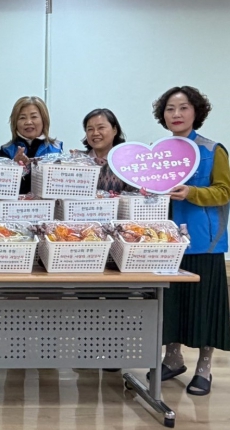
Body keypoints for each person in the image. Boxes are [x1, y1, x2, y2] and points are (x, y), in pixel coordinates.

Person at [152, 86, 230, 396]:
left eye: (183, 107)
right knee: (172, 305)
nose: (176, 114)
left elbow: (224, 191)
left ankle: (204, 369)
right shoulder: (158, 151)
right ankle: (173, 359)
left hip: (204, 242)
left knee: (204, 308)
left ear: (196, 112)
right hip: (166, 241)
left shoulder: (213, 150)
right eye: (170, 108)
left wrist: (192, 192)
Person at [0, 96, 62, 194]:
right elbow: (2, 189)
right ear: (15, 123)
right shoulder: (6, 150)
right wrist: (15, 166)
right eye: (22, 118)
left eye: (34, 117)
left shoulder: (56, 149)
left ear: (44, 120)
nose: (28, 122)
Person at [80, 108, 135, 192]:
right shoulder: (77, 161)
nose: (95, 133)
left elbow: (135, 194)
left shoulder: (127, 163)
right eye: (90, 129)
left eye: (101, 127)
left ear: (114, 130)